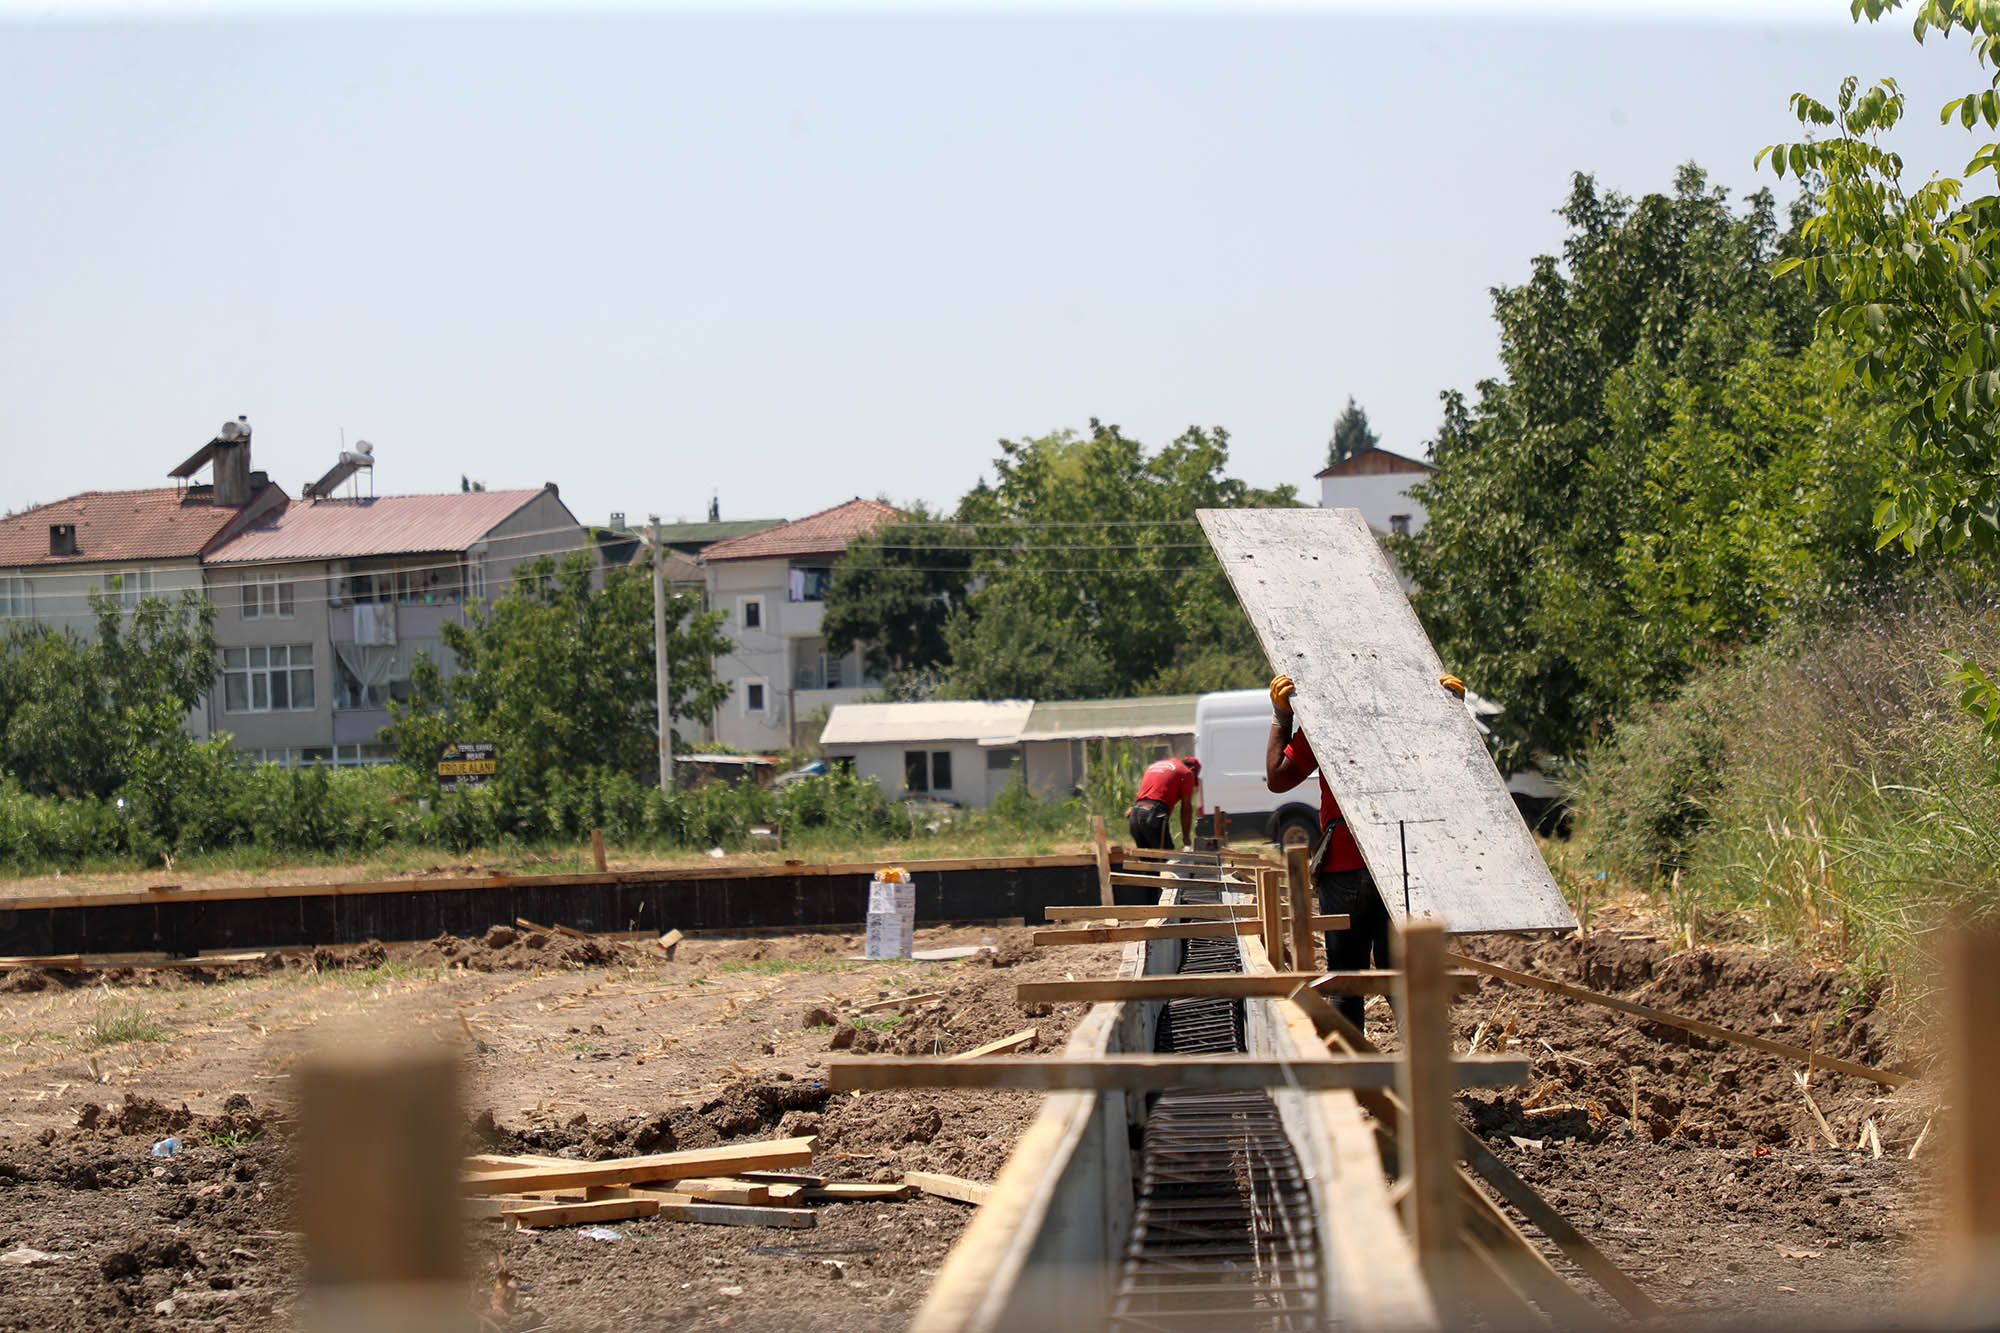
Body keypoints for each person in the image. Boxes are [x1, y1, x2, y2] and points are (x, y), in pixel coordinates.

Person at [1264, 670, 1466, 1030]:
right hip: (1400, 863)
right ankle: (1425, 1076)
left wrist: (1282, 717)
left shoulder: (1328, 723)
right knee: (1401, 975)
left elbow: (1278, 778)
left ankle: (1353, 1077)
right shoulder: (1410, 721)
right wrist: (1448, 714)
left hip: (1345, 864)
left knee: (1346, 979)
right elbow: (1453, 771)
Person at [1126, 754, 1201, 850]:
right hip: (1153, 815)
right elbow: (1186, 808)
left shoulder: (1154, 766)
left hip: (1135, 815)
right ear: (1193, 770)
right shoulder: (1187, 773)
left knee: (1147, 861)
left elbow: (1147, 792)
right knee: (1167, 858)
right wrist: (1186, 838)